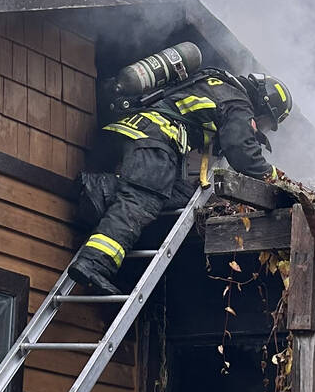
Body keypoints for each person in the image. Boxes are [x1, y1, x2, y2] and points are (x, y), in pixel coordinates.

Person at [68, 69, 293, 293]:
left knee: (182, 196)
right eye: (264, 122)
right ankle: (94, 262)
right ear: (264, 104)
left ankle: (102, 189)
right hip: (155, 139)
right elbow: (243, 154)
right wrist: (276, 179)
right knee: (141, 200)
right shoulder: (239, 103)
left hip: (135, 131)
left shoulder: (216, 85)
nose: (260, 127)